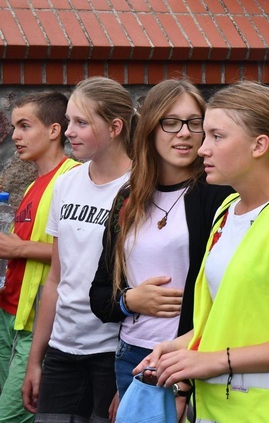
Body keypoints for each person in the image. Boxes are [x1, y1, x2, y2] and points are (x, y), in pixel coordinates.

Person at [134, 82, 269, 422]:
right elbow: (224, 322)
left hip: (268, 412)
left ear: (259, 145)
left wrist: (214, 360)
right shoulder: (227, 209)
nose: (202, 149)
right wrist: (179, 348)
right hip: (212, 409)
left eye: (216, 136)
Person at [89, 80, 233, 400]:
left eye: (194, 123)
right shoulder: (128, 198)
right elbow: (99, 296)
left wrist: (184, 387)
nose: (183, 133)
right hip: (131, 358)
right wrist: (129, 301)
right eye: (170, 123)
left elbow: (231, 298)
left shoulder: (221, 195)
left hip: (188, 360)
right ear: (151, 129)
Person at [21, 77, 135, 421]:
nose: (69, 131)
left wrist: (129, 372)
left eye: (81, 123)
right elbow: (56, 278)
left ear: (115, 127)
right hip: (62, 347)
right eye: (69, 121)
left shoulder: (140, 186)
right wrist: (35, 360)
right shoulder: (67, 183)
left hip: (112, 352)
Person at [0, 93, 79, 423]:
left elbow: (81, 252)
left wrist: (18, 249)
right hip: (11, 315)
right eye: (14, 126)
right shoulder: (35, 183)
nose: (15, 135)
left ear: (54, 130)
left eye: (25, 126)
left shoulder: (73, 179)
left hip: (36, 323)